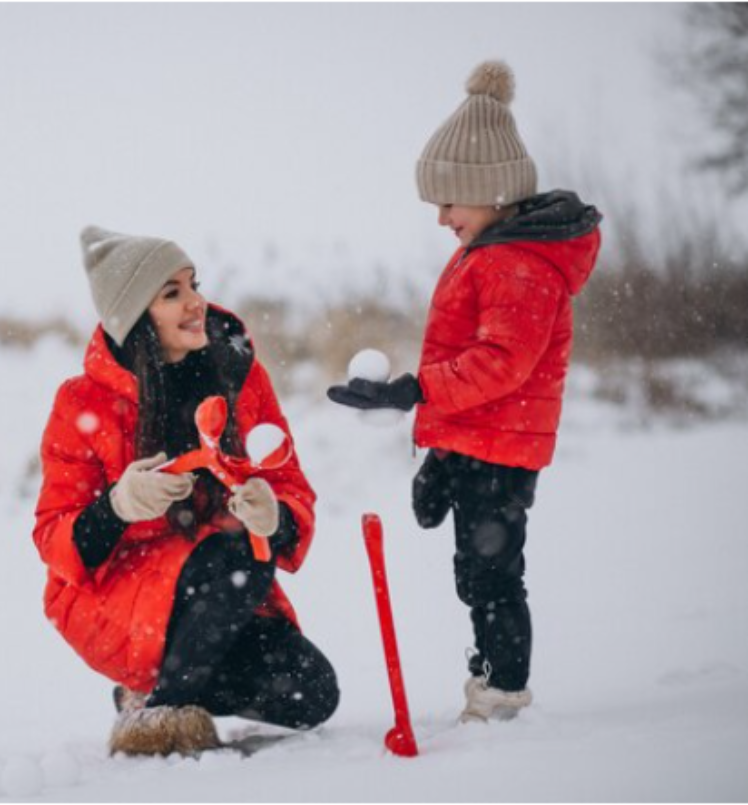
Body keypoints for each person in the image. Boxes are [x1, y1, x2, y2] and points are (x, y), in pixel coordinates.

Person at [327, 61, 602, 723]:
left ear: (492, 189)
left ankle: (503, 689)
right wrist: (442, 451)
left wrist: (412, 391)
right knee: (476, 572)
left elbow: (500, 365)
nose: (442, 217)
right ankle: (488, 670)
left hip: (501, 450)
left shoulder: (517, 263)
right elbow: (477, 372)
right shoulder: (495, 252)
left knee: (493, 573)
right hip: (479, 442)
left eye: (449, 201)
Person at [34, 225, 339, 756]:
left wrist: (276, 516)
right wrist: (117, 507)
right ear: (134, 316)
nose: (197, 302)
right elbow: (53, 538)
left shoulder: (238, 376)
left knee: (310, 691)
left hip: (222, 590)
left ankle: (159, 688)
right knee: (243, 552)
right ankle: (160, 718)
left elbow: (289, 484)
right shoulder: (82, 401)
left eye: (193, 284)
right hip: (118, 598)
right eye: (171, 293)